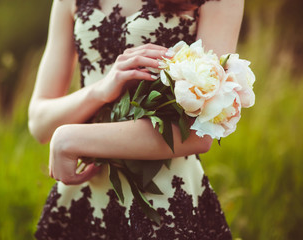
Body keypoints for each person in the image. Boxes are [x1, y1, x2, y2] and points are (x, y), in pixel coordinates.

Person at [28, 0, 243, 239]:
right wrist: (100, 91)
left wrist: (70, 139)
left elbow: (200, 133)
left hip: (164, 206)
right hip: (82, 201)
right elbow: (39, 122)